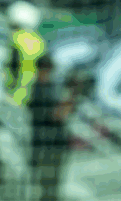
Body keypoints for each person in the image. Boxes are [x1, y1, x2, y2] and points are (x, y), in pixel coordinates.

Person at [30, 55, 74, 201]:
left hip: (57, 140)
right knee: (46, 179)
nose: (47, 73)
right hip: (45, 141)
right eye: (45, 69)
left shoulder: (53, 88)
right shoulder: (37, 89)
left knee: (55, 178)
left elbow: (63, 113)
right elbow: (52, 115)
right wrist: (64, 107)